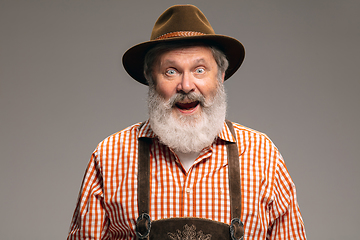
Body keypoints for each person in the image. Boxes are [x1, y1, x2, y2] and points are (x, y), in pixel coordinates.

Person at [67, 4, 306, 240]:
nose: (186, 85)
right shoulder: (109, 158)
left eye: (200, 70)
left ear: (221, 76)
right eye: (171, 71)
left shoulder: (263, 157)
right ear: (151, 78)